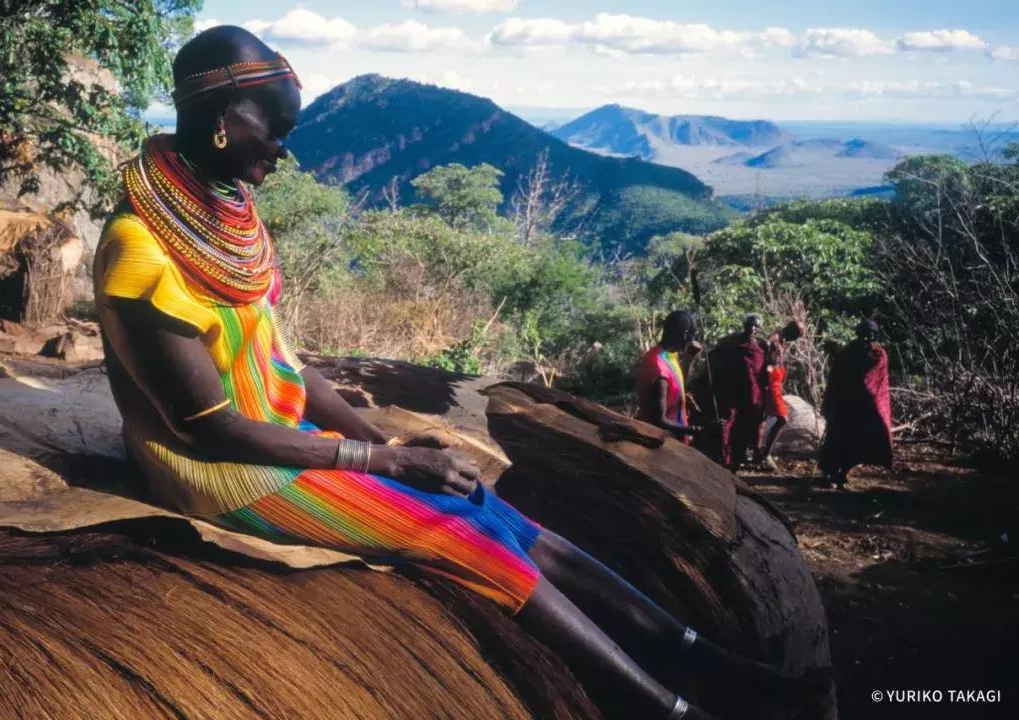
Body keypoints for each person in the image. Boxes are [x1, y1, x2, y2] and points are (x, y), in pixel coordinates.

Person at [92, 26, 825, 719]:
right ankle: (661, 707)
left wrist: (391, 443)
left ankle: (685, 650)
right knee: (457, 535)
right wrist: (382, 460)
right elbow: (212, 429)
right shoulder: (141, 249)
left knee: (495, 509)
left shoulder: (226, 211)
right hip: (227, 469)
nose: (283, 151)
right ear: (223, 116)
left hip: (285, 435)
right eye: (273, 130)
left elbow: (290, 370)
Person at [818, 319, 893, 488]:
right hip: (845, 405)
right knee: (837, 439)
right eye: (864, 334)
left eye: (871, 335)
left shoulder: (878, 354)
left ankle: (843, 473)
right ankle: (830, 472)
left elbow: (876, 380)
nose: (867, 338)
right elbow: (837, 377)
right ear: (858, 334)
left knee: (856, 441)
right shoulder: (847, 352)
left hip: (864, 407)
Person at [708, 314, 766, 472]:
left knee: (749, 429)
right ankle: (725, 460)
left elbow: (766, 371)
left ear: (760, 329)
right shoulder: (731, 342)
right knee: (729, 425)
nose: (752, 329)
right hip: (732, 391)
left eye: (756, 326)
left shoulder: (761, 347)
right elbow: (715, 356)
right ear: (745, 325)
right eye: (750, 325)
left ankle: (741, 459)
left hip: (753, 394)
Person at [637, 311, 707, 442]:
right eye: (692, 336)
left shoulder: (665, 356)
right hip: (664, 445)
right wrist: (697, 430)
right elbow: (660, 421)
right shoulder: (659, 368)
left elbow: (676, 389)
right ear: (685, 335)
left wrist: (689, 360)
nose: (693, 341)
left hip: (674, 441)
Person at [753, 320, 806, 471]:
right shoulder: (774, 340)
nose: (795, 340)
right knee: (783, 418)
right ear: (791, 331)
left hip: (774, 385)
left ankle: (759, 454)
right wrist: (766, 378)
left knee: (762, 419)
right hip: (769, 385)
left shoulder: (782, 340)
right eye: (796, 335)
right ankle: (765, 455)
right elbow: (766, 361)